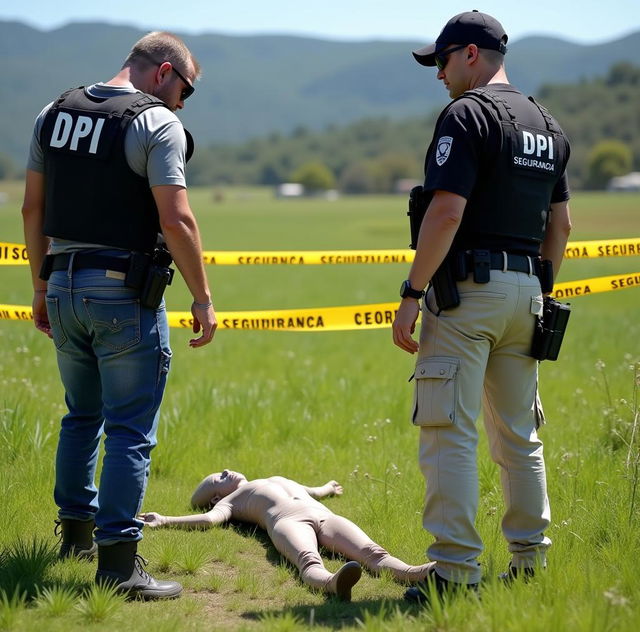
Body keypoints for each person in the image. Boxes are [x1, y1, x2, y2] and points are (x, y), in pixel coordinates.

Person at [22, 31, 217, 600]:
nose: (182, 103)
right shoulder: (155, 122)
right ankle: (119, 568)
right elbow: (176, 219)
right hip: (123, 294)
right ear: (163, 72)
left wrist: (41, 284)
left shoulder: (52, 113)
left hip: (61, 282)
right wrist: (202, 298)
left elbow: (33, 206)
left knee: (80, 417)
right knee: (130, 430)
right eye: (185, 90)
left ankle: (75, 537)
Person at [392, 10, 571, 602]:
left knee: (449, 431)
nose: (439, 75)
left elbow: (446, 213)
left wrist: (412, 294)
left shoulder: (466, 115)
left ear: (470, 54)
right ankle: (530, 562)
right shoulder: (547, 123)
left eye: (442, 61)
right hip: (529, 293)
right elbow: (562, 225)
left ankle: (454, 573)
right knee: (519, 435)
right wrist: (538, 288)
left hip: (468, 296)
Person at [140, 470, 433, 601]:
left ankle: (415, 573)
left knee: (373, 552)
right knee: (308, 560)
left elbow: (308, 491)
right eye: (218, 477)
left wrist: (326, 489)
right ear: (217, 496)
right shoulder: (230, 502)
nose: (226, 470)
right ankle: (332, 584)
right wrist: (165, 519)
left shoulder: (272, 478)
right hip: (286, 523)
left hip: (323, 515)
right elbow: (209, 520)